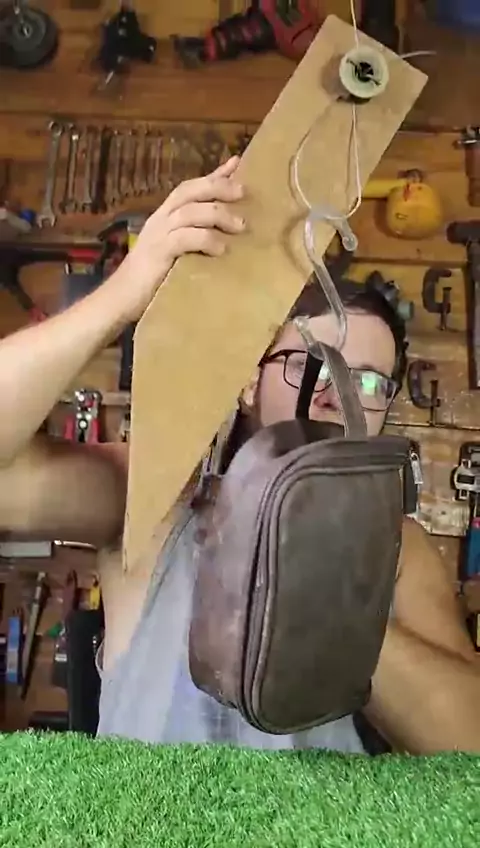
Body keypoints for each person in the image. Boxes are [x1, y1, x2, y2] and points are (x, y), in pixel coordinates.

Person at [0, 157, 479, 754]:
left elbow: (467, 742)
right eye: (310, 363)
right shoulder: (157, 499)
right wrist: (121, 298)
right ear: (249, 383)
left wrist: (333, 603)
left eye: (368, 382)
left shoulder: (398, 547)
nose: (335, 395)